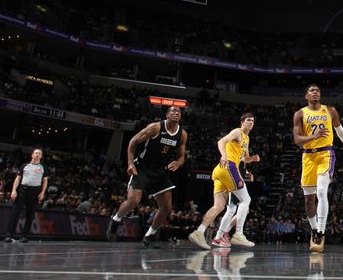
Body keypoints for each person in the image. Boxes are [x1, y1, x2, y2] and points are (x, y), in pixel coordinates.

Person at [107, 106, 187, 247]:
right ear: (167, 115)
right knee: (133, 201)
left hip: (160, 171)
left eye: (179, 112)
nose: (176, 113)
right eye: (173, 111)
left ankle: (149, 236)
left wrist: (178, 162)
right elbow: (133, 141)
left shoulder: (182, 134)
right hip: (143, 168)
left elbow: (182, 157)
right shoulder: (155, 128)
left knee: (166, 208)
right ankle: (116, 220)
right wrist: (130, 163)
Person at [293, 84, 343, 252]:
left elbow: (341, 132)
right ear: (306, 96)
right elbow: (297, 140)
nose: (315, 92)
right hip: (308, 156)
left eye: (317, 90)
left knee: (322, 192)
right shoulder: (300, 114)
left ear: (320, 95)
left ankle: (321, 232)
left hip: (325, 154)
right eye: (311, 90)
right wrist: (313, 136)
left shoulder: (330, 111)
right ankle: (314, 229)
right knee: (309, 199)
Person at [188, 113, 258, 249]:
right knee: (246, 200)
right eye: (248, 120)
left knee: (219, 206)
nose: (251, 122)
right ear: (242, 122)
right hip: (229, 167)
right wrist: (224, 155)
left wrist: (253, 159)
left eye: (253, 121)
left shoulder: (246, 138)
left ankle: (199, 232)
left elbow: (244, 159)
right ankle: (238, 234)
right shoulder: (237, 132)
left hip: (220, 171)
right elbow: (221, 142)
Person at [5, 148, 48, 243]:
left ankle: (24, 236)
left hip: (35, 192)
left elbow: (45, 181)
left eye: (39, 153)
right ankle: (9, 235)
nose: (37, 155)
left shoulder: (43, 167)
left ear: (41, 156)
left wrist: (42, 192)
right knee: (16, 213)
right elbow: (18, 179)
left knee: (30, 214)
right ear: (32, 155)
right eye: (36, 153)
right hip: (23, 191)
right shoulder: (25, 165)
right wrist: (13, 191)